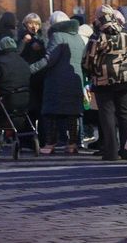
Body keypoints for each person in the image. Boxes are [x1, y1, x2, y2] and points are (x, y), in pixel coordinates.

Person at [84, 4, 127, 162]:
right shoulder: (125, 33)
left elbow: (88, 59)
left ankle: (111, 152)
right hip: (125, 78)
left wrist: (92, 71)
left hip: (103, 79)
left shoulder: (98, 36)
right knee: (125, 113)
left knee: (106, 114)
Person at [32, 10, 85, 155]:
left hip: (57, 81)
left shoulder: (57, 36)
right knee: (73, 115)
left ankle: (50, 144)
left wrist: (30, 69)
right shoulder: (78, 38)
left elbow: (49, 60)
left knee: (51, 114)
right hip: (75, 80)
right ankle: (72, 144)